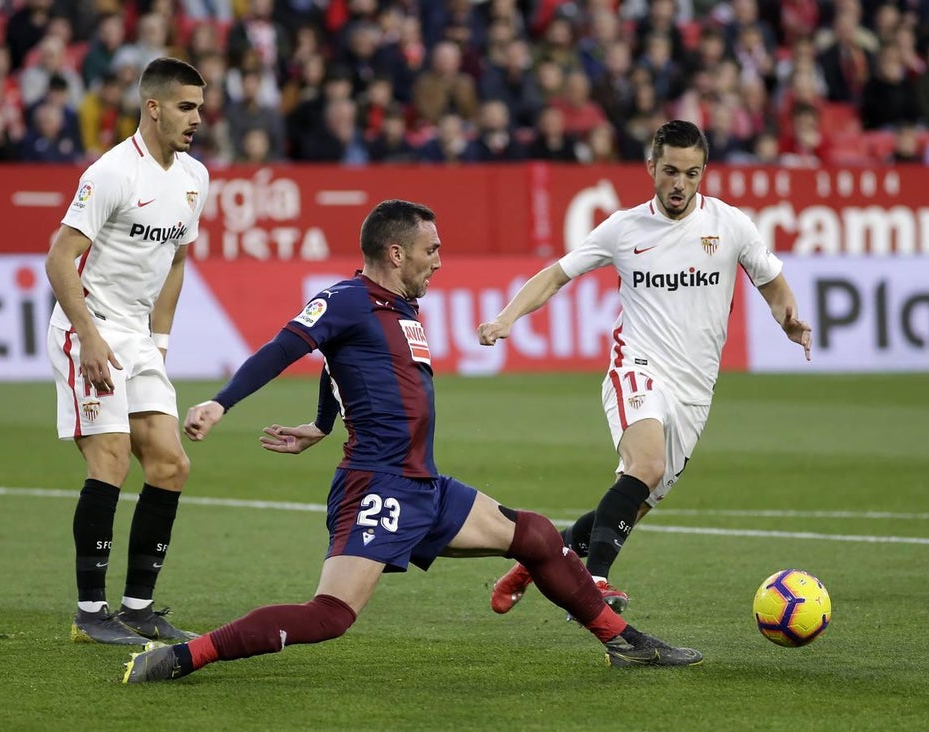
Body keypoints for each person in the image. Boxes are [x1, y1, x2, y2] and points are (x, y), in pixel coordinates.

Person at [121, 199, 703, 683]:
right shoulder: (348, 298)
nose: (440, 263)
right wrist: (220, 403)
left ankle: (626, 643)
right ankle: (181, 657)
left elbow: (338, 366)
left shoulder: (397, 308)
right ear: (396, 254)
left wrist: (323, 423)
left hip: (424, 482)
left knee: (537, 534)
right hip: (378, 483)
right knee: (329, 615)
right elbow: (287, 347)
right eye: (432, 251)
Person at [480, 120, 812, 615]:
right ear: (652, 168)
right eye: (671, 171)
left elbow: (772, 281)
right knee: (646, 465)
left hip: (695, 387)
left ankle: (535, 559)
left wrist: (787, 319)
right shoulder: (624, 228)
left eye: (692, 173)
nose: (681, 183)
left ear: (703, 173)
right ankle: (593, 581)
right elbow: (556, 275)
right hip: (637, 363)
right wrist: (508, 317)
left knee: (633, 501)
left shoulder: (730, 225)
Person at [45, 57, 210, 645]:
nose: (197, 118)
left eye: (200, 106)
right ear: (154, 106)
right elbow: (59, 258)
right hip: (86, 328)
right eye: (187, 107)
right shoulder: (111, 172)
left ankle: (138, 608)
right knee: (111, 458)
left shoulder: (194, 177)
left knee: (170, 465)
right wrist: (86, 333)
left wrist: (158, 346)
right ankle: (91, 614)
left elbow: (177, 261)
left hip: (138, 338)